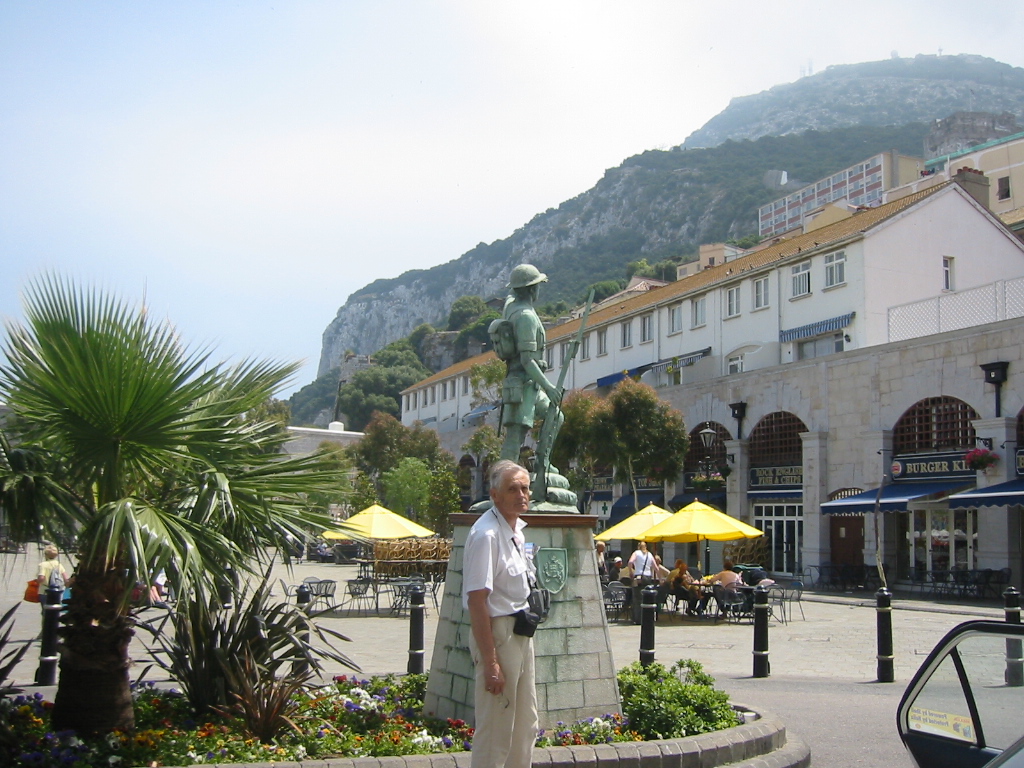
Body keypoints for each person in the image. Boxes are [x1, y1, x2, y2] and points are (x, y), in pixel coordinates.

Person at [463, 459, 538, 768]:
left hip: (521, 634)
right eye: (512, 489)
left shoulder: (516, 530)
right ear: (494, 495)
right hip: (499, 635)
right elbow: (477, 601)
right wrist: (491, 662)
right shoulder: (487, 535)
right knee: (496, 729)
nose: (521, 495)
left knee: (525, 725)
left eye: (525, 488)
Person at [491, 265, 563, 499]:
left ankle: (542, 461)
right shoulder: (525, 317)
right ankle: (502, 484)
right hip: (522, 383)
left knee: (556, 416)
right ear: (532, 289)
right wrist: (549, 387)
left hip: (528, 383)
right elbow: (527, 360)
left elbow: (511, 296)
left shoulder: (512, 307)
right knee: (515, 437)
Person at [627, 541, 658, 624]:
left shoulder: (636, 553)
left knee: (637, 598)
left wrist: (630, 571)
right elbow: (656, 567)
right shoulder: (649, 554)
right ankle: (647, 618)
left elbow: (630, 562)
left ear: (638, 547)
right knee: (647, 598)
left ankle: (638, 619)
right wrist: (661, 578)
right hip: (648, 577)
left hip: (638, 577)